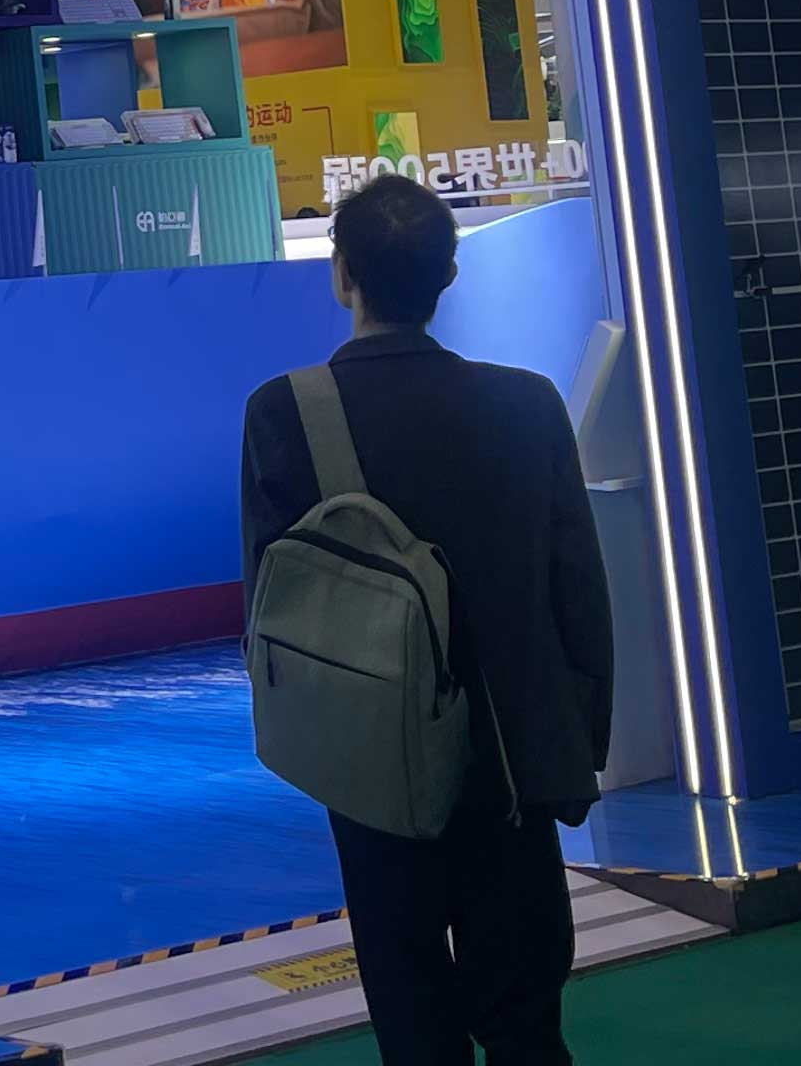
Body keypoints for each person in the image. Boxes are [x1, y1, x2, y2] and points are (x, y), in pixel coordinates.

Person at [239, 173, 612, 1066]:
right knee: (527, 1022)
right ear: (448, 275)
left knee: (411, 1020)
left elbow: (268, 608)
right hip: (513, 758)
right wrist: (575, 752)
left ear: (342, 275)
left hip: (371, 761)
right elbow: (579, 594)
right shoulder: (528, 405)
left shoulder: (286, 412)